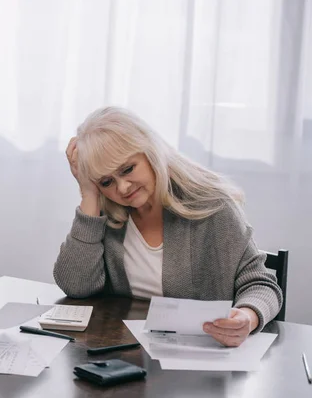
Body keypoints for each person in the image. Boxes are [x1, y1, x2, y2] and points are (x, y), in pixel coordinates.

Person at [53, 106, 282, 348]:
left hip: (200, 359)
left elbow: (261, 284)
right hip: (127, 355)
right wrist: (88, 194)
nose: (122, 188)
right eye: (107, 181)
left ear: (150, 152)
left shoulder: (212, 206)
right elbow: (76, 286)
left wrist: (247, 316)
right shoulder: (108, 214)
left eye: (127, 169)